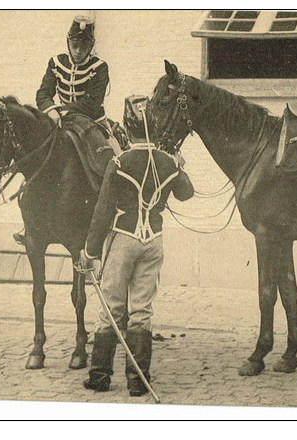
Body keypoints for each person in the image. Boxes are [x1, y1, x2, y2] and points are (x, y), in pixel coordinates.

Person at [80, 95, 194, 396]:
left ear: (127, 129)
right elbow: (186, 193)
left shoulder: (119, 163)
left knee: (111, 309)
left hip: (124, 240)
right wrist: (179, 167)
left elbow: (102, 213)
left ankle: (101, 376)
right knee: (142, 310)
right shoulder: (168, 162)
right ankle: (137, 380)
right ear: (154, 127)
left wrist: (89, 252)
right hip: (154, 243)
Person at [14, 15, 111, 246]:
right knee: (37, 155)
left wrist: (64, 110)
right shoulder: (56, 62)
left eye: (84, 46)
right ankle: (31, 220)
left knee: (109, 157)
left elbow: (93, 101)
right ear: (68, 43)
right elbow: (43, 93)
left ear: (91, 46)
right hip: (59, 119)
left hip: (91, 121)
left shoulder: (99, 67)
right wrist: (52, 110)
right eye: (75, 45)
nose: (78, 51)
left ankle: (110, 206)